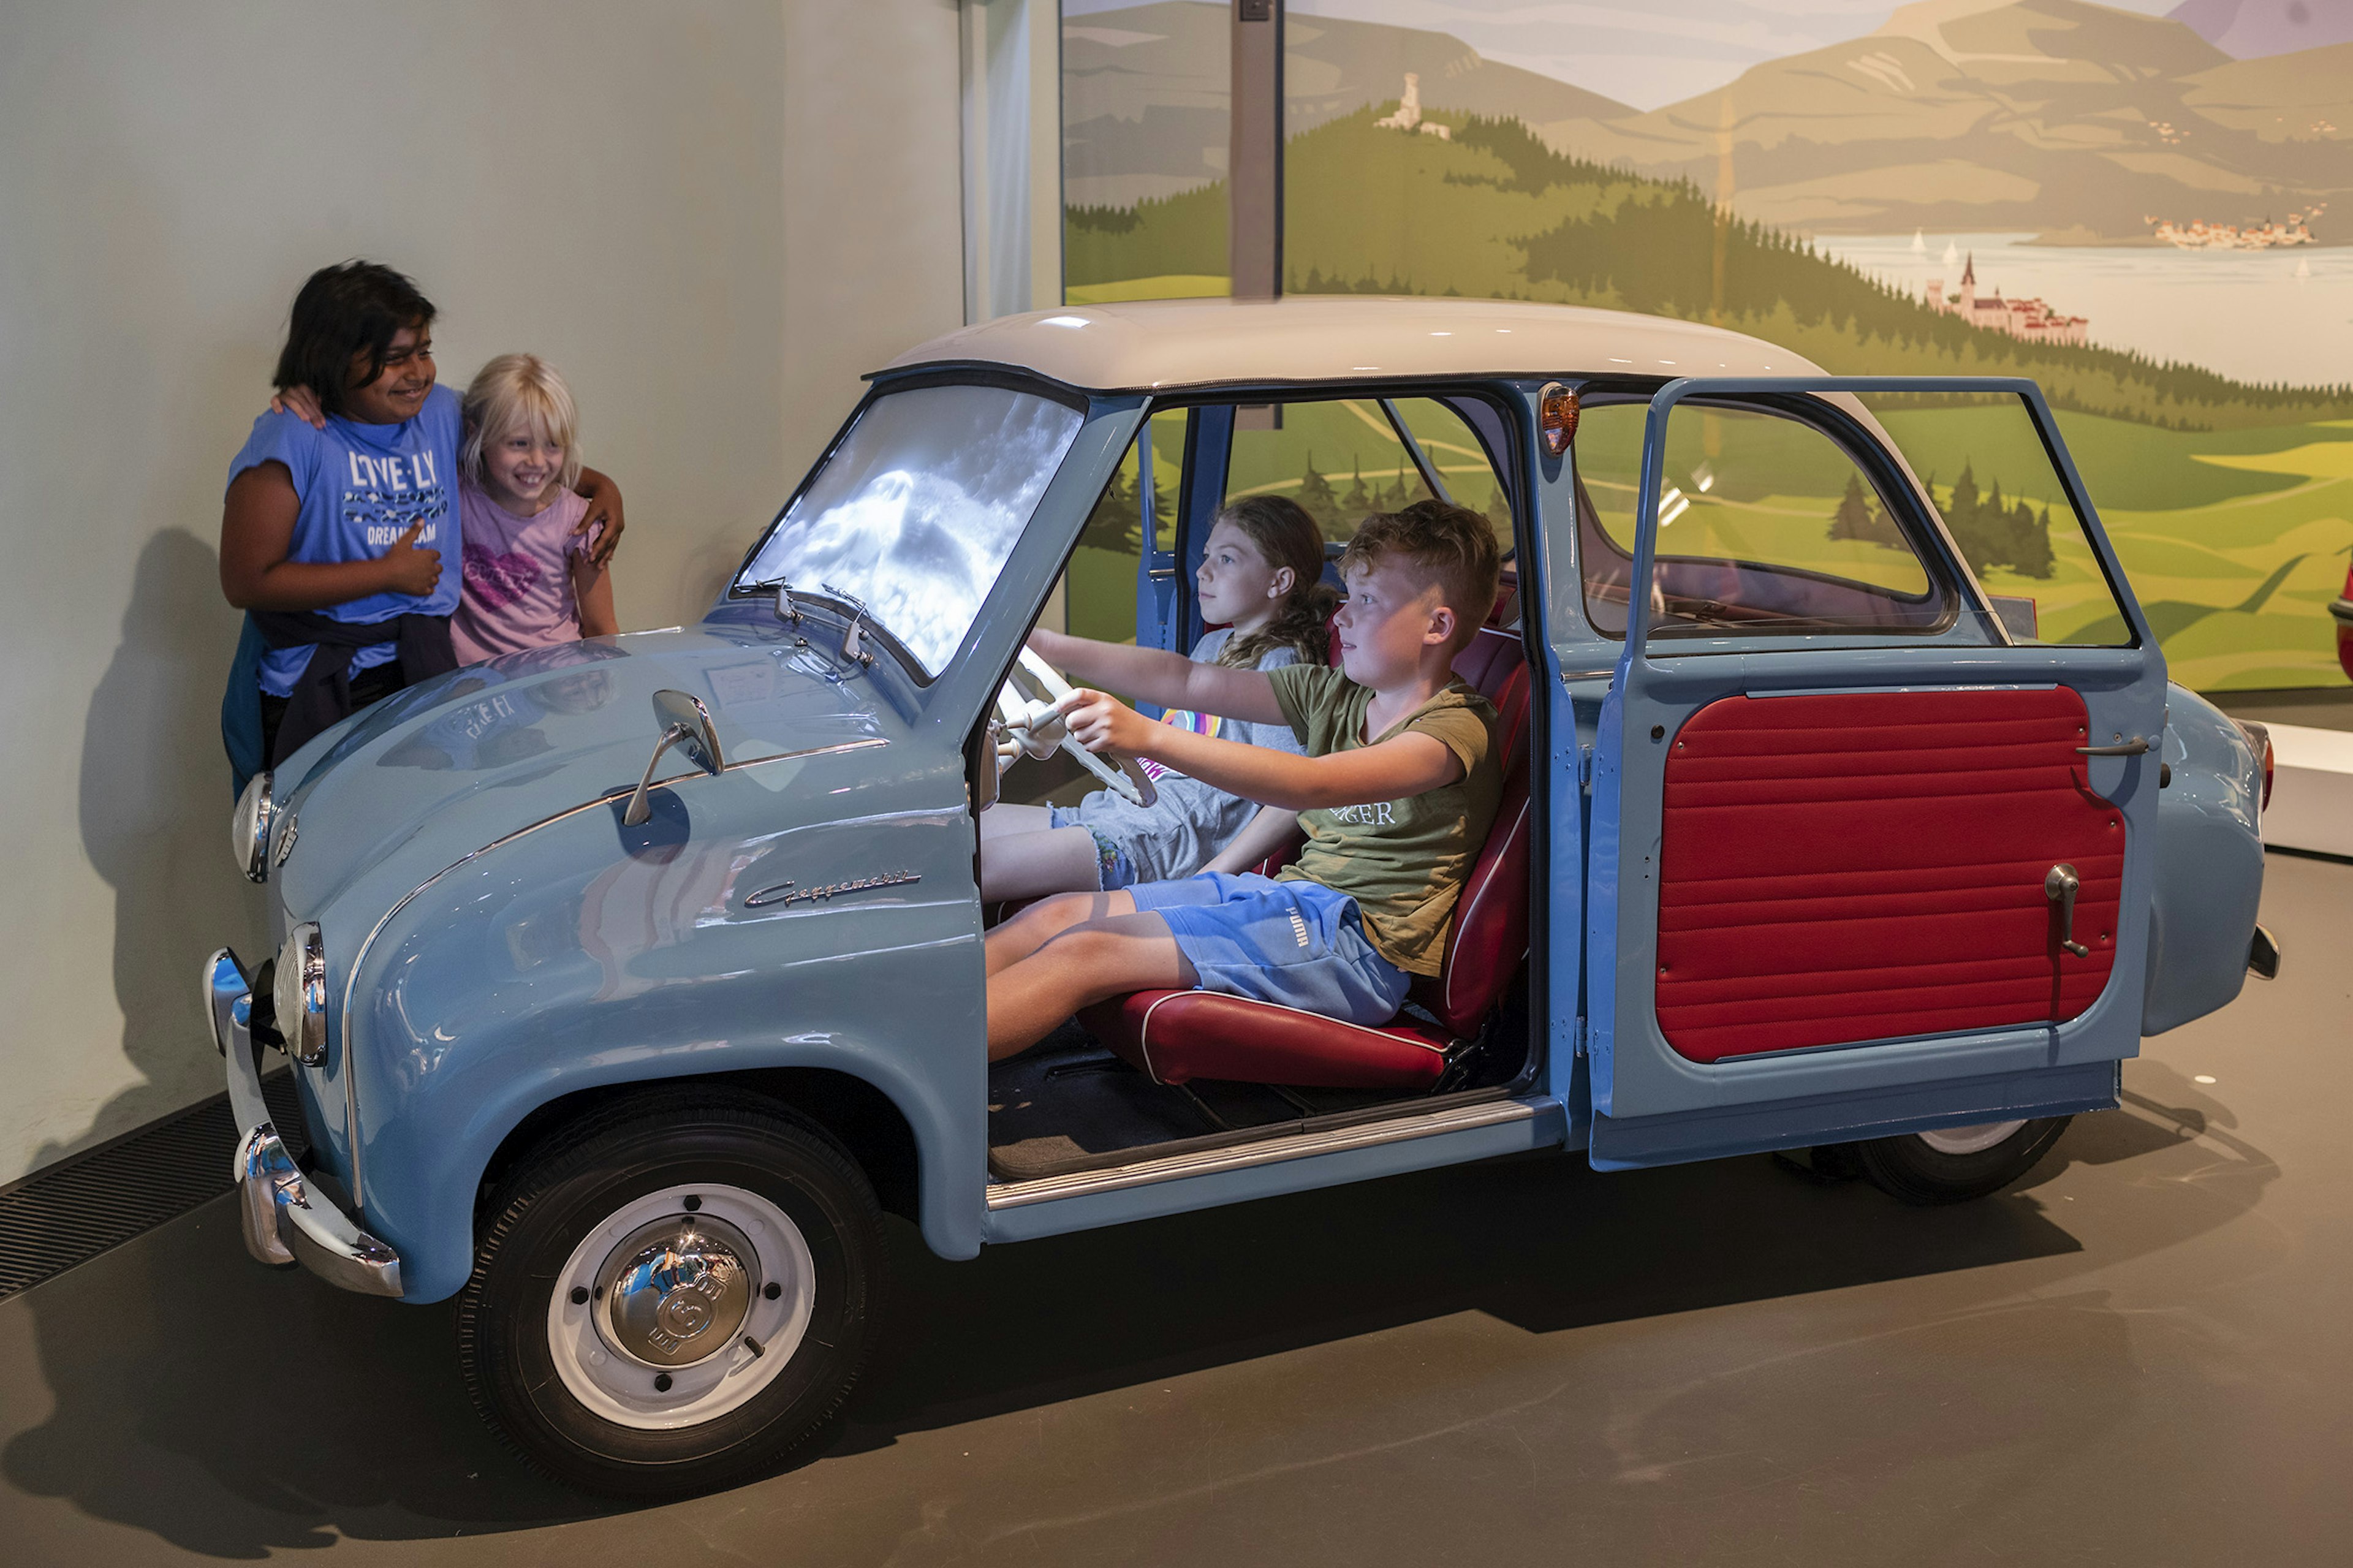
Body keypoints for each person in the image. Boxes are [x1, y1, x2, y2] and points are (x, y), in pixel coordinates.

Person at [983, 499, 1504, 1062]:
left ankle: (914, 1073)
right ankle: (902, 1023)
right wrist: (1043, 644)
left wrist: (1149, 736)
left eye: (1368, 601)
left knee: (1085, 951)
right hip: (1285, 899)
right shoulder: (1333, 693)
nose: (1341, 617)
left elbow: (1313, 785)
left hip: (1354, 947)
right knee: (1057, 915)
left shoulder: (1455, 729)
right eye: (1348, 597)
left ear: (1438, 625)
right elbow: (1185, 679)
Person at [217, 260, 626, 786]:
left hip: (424, 669)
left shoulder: (436, 414)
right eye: (395, 359)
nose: (418, 372)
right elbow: (245, 580)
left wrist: (602, 487)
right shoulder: (294, 435)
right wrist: (384, 575)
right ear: (334, 360)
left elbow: (512, 451)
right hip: (320, 681)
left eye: (424, 352)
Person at [983, 496, 1336, 901]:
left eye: (1227, 560)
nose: (1203, 572)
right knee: (953, 834)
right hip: (1110, 813)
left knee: (972, 870)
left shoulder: (1280, 665)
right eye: (1207, 556)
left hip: (1155, 844)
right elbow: (1177, 679)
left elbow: (1292, 798)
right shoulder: (1213, 644)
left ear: (1279, 581)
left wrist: (1208, 879)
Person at [448, 354, 618, 662]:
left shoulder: (580, 520)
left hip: (556, 679)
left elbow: (602, 628)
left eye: (552, 444)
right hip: (473, 686)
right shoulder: (454, 495)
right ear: (476, 435)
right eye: (519, 444)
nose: (538, 462)